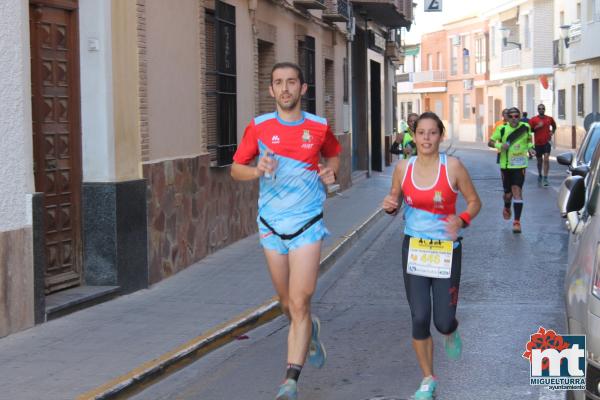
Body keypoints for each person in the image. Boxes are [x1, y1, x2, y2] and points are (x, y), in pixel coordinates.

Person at [231, 61, 341, 400]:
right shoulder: (259, 127)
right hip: (270, 224)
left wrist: (329, 172)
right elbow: (236, 168)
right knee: (285, 303)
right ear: (270, 90)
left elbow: (334, 156)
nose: (285, 88)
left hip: (307, 222)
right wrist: (257, 170)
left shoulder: (319, 127)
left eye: (291, 82)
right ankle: (310, 330)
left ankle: (290, 380)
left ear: (303, 88)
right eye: (278, 82)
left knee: (300, 300)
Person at [382, 112, 481, 400]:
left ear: (440, 136)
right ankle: (428, 379)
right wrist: (389, 205)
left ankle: (451, 330)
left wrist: (461, 220)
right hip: (414, 248)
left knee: (443, 321)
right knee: (419, 317)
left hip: (446, 251)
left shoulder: (453, 167)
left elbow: (475, 201)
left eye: (432, 133)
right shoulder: (403, 167)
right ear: (414, 136)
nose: (426, 138)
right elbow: (394, 201)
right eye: (421, 133)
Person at [488, 107, 535, 233]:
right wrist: (500, 145)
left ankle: (517, 222)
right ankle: (507, 206)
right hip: (506, 166)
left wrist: (531, 148)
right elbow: (490, 142)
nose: (514, 119)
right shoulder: (502, 129)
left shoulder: (525, 127)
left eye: (516, 116)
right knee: (508, 195)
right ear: (507, 118)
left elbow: (529, 141)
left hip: (520, 166)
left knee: (517, 191)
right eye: (512, 117)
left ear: (519, 117)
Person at [528, 104, 557, 186]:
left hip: (547, 142)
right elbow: (529, 131)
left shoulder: (549, 118)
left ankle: (545, 177)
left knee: (546, 159)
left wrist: (552, 132)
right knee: (539, 161)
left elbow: (554, 126)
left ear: (545, 109)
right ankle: (540, 174)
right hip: (538, 143)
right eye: (540, 108)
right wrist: (537, 126)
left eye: (543, 108)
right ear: (538, 110)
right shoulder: (533, 119)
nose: (541, 110)